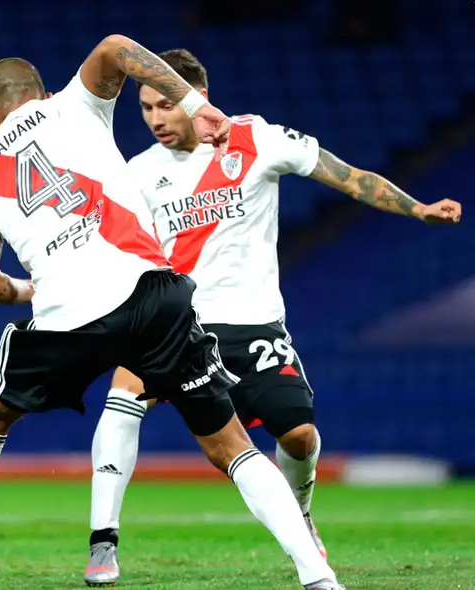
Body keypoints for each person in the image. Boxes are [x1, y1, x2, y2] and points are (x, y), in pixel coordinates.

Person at [0, 35, 343, 590]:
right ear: (42, 92)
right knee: (231, 445)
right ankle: (318, 577)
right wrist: (196, 104)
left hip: (68, 314)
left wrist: (27, 290)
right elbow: (117, 46)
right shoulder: (74, 103)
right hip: (152, 292)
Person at [84, 48, 462, 587]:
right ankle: (104, 541)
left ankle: (301, 513)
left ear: (198, 98)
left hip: (255, 323)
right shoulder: (138, 174)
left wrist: (417, 207)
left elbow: (349, 177)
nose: (155, 119)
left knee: (302, 438)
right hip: (179, 324)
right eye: (145, 108)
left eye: (165, 105)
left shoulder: (258, 140)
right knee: (125, 393)